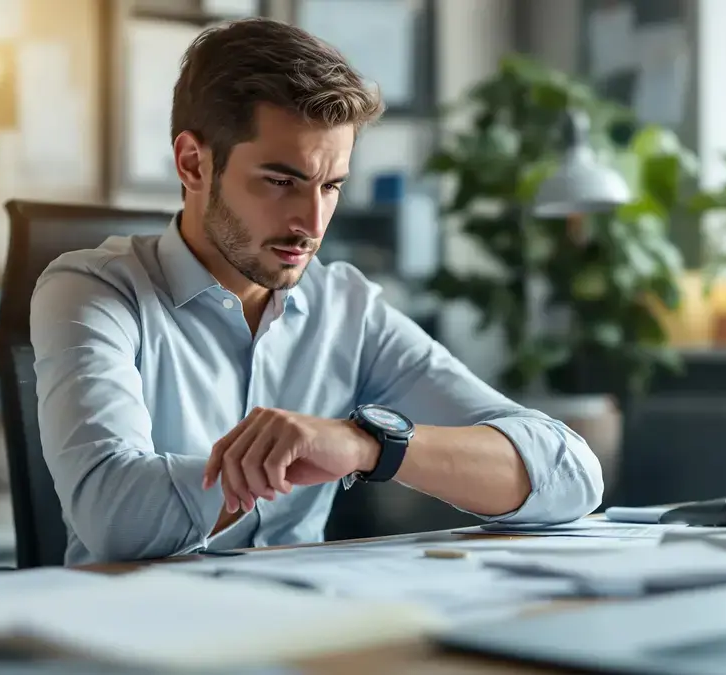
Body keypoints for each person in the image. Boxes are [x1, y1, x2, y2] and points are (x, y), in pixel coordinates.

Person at [30, 18, 603, 565]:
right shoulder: (91, 292)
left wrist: (369, 447)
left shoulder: (346, 308)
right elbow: (112, 517)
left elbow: (571, 474)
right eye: (282, 182)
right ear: (192, 163)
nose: (312, 220)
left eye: (331, 186)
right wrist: (271, 463)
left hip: (307, 632)